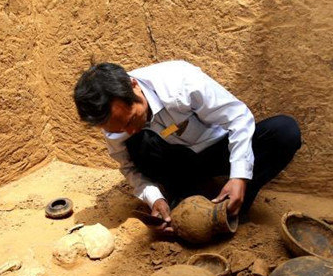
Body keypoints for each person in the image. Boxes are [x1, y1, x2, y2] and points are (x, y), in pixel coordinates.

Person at [73, 60, 301, 234]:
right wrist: (155, 198)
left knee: (284, 131)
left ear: (133, 86)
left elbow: (238, 118)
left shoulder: (179, 81)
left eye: (132, 120)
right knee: (138, 145)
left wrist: (239, 177)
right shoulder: (112, 121)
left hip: (220, 149)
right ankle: (181, 198)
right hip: (178, 163)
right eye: (119, 128)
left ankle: (237, 202)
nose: (128, 129)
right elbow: (129, 168)